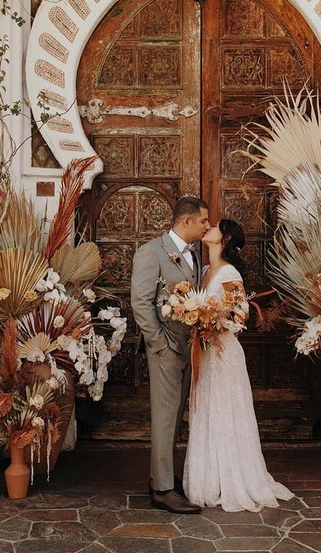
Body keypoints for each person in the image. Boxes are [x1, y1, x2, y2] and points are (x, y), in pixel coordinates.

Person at [183, 219, 294, 512]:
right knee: (207, 410)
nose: (207, 228)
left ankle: (233, 480)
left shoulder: (229, 273)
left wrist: (212, 323)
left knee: (225, 411)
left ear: (227, 236)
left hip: (223, 355)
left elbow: (240, 315)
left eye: (214, 226)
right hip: (206, 354)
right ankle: (210, 480)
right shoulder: (206, 271)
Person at [130, 196, 210, 514]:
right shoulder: (150, 252)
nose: (208, 226)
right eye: (203, 221)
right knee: (165, 417)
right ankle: (162, 490)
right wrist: (159, 344)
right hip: (165, 349)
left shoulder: (194, 255)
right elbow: (141, 302)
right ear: (186, 221)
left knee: (175, 416)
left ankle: (162, 476)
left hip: (188, 348)